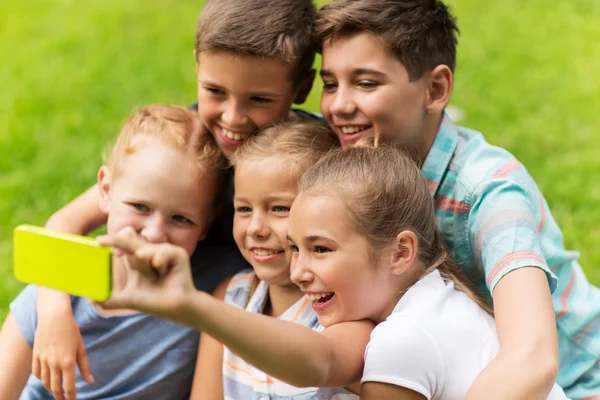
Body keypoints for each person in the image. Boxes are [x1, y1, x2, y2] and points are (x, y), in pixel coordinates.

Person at [96, 142, 568, 400]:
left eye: (321, 249)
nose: (299, 270)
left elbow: (320, 362)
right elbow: (320, 361)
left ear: (401, 251)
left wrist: (190, 304)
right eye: (296, 248)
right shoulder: (436, 298)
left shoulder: (402, 339)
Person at [30, 0, 319, 398]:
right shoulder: (191, 149)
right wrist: (53, 314)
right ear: (198, 66)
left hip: (251, 313)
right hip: (166, 306)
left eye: (260, 100)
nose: (233, 118)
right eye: (215, 91)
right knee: (40, 295)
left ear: (302, 87)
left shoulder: (308, 159)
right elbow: (65, 223)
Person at [314, 0, 600, 398]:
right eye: (329, 83)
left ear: (435, 89)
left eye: (366, 83)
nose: (338, 105)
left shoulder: (488, 191)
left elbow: (533, 357)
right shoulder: (347, 163)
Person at [0, 105, 228, 399]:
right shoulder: (53, 297)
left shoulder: (216, 288)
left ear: (206, 226)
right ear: (105, 190)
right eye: (140, 207)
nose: (154, 233)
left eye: (181, 219)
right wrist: (53, 312)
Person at [191, 120, 357, 399]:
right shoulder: (231, 299)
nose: (255, 227)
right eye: (243, 208)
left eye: (279, 208)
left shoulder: (343, 314)